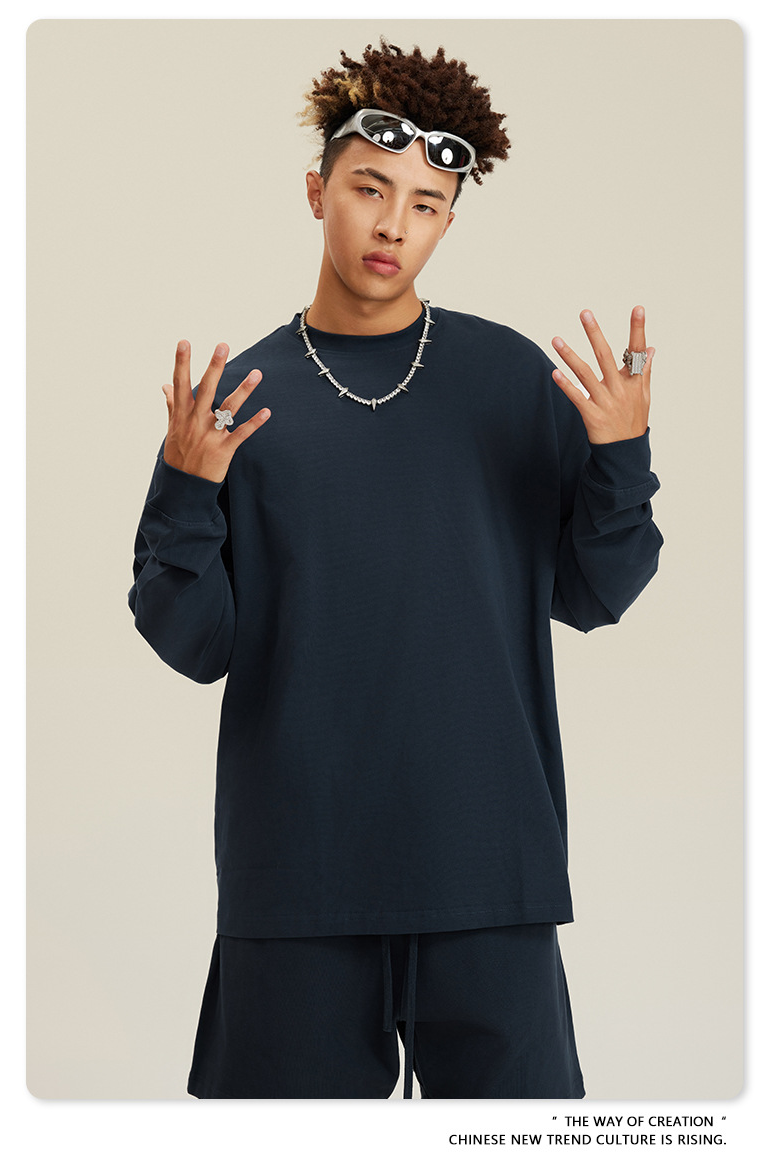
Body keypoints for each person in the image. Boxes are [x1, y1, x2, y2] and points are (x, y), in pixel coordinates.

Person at [128, 39, 662, 1100]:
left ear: (448, 222)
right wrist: (187, 489)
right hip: (296, 878)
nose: (392, 225)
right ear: (316, 190)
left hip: (489, 869)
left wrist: (620, 456)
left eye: (425, 203)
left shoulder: (510, 378)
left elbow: (594, 591)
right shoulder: (237, 402)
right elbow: (196, 644)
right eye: (369, 189)